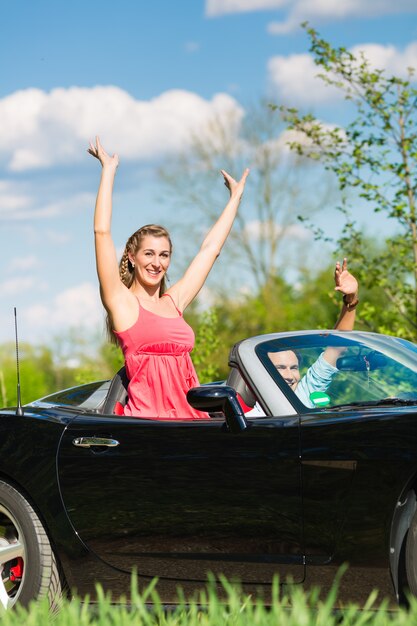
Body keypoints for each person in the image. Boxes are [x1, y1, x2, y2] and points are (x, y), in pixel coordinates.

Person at [88, 136, 249, 419]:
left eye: (164, 255)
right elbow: (102, 232)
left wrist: (235, 198)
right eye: (148, 254)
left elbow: (210, 250)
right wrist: (108, 171)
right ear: (131, 257)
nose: (157, 262)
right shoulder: (122, 303)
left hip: (193, 423)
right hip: (151, 428)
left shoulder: (174, 302)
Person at [246, 259, 359, 414]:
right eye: (280, 368)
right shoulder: (250, 419)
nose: (290, 376)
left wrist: (351, 299)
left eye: (294, 368)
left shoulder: (303, 396)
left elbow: (337, 346)